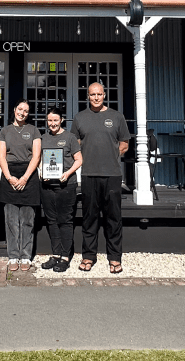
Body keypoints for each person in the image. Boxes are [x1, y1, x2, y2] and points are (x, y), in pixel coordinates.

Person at [70, 82, 130, 274]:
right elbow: (75, 145)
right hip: (89, 175)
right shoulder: (80, 118)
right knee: (89, 218)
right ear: (87, 96)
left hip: (112, 175)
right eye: (92, 94)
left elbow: (124, 144)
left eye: (99, 94)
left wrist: (109, 157)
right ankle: (88, 256)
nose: (96, 98)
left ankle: (114, 258)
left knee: (113, 219)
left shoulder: (116, 116)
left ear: (105, 95)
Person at [0, 99, 42, 271]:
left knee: (27, 219)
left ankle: (25, 256)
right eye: (20, 109)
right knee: (10, 219)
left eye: (26, 111)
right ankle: (13, 255)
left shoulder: (33, 131)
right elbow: (2, 156)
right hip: (9, 174)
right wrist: (9, 178)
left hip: (28, 175)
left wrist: (24, 178)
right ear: (14, 109)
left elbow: (36, 156)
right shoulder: (5, 131)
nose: (22, 113)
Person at [39, 107, 83, 272]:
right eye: (50, 120)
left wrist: (68, 173)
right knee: (51, 220)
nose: (52, 124)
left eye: (55, 120)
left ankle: (65, 256)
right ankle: (56, 254)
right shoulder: (43, 138)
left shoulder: (70, 138)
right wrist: (41, 172)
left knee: (65, 220)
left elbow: (79, 160)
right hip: (47, 186)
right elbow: (38, 160)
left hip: (66, 185)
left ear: (61, 120)